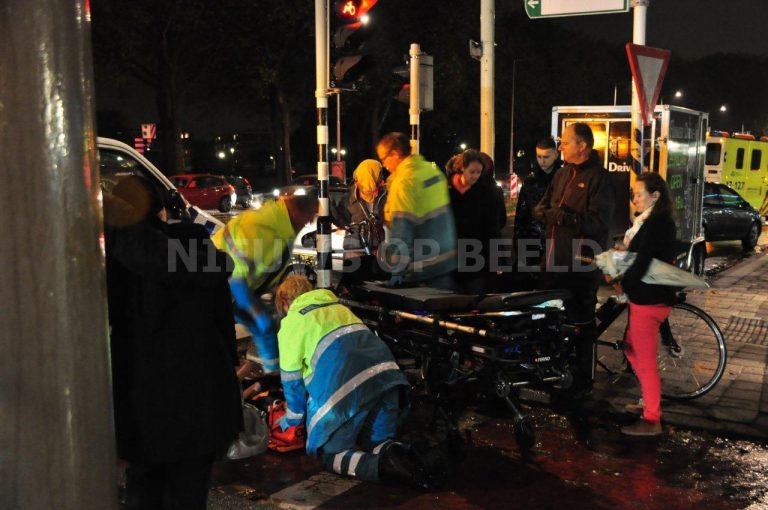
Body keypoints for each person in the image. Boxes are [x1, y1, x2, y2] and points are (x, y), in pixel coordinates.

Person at [105, 176, 242, 510]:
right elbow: (224, 328)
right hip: (201, 401)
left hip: (142, 407)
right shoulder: (197, 249)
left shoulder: (116, 261)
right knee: (189, 493)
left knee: (143, 490)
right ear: (160, 209)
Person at [273, 275, 445, 489]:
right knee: (377, 443)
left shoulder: (294, 320)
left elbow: (292, 380)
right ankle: (419, 459)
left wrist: (293, 418)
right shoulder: (338, 308)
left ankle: (383, 468)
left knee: (329, 454)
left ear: (285, 302)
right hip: (387, 379)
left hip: (349, 392)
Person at [534, 123, 615, 399]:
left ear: (582, 146)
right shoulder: (561, 173)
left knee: (581, 324)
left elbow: (599, 223)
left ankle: (582, 380)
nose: (561, 147)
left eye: (566, 142)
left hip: (580, 265)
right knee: (551, 320)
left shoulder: (599, 178)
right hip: (552, 261)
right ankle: (556, 371)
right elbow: (543, 207)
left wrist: (563, 217)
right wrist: (545, 214)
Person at [212, 191, 317, 373]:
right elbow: (236, 277)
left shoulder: (281, 225)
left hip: (232, 285)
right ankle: (273, 372)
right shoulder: (261, 229)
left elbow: (271, 266)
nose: (309, 222)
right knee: (264, 326)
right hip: (219, 287)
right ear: (297, 212)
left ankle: (271, 370)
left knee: (270, 324)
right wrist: (256, 311)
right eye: (309, 216)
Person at [615, 173, 677, 436]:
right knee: (631, 348)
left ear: (655, 196)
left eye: (639, 194)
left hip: (648, 299)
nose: (634, 199)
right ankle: (647, 401)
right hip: (647, 296)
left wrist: (623, 284)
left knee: (644, 358)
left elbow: (642, 262)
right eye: (633, 193)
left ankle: (652, 419)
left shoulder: (656, 224)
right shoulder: (649, 221)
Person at [376, 132, 457, 289]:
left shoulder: (404, 182)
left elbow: (402, 231)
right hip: (445, 262)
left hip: (421, 269)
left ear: (395, 153)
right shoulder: (432, 171)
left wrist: (397, 271)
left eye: (384, 158)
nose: (384, 164)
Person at [448, 149, 501, 294]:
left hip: (477, 256)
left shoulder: (486, 193)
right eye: (472, 172)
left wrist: (495, 259)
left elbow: (493, 228)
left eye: (479, 172)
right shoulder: (448, 190)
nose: (475, 176)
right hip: (452, 255)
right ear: (462, 168)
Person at [514, 137, 562, 272]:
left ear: (555, 155)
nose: (542, 161)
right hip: (533, 241)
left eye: (546, 157)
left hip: (556, 239)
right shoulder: (530, 181)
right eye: (539, 156)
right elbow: (521, 215)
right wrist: (519, 246)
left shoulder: (563, 177)